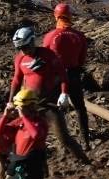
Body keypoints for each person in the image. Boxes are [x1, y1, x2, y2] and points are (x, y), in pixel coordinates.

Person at [9, 26, 89, 164]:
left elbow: (63, 75)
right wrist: (10, 101)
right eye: (20, 48)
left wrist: (63, 93)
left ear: (33, 41)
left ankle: (85, 161)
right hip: (29, 106)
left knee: (64, 138)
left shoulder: (48, 55)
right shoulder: (20, 59)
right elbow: (16, 80)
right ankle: (40, 170)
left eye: (26, 47)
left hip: (49, 105)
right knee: (28, 140)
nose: (24, 51)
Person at [42, 3, 91, 151]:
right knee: (80, 108)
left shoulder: (50, 37)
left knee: (55, 110)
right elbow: (82, 60)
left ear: (56, 16)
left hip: (56, 78)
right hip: (74, 74)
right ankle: (85, 141)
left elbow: (45, 59)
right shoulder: (79, 36)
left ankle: (64, 141)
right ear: (70, 16)